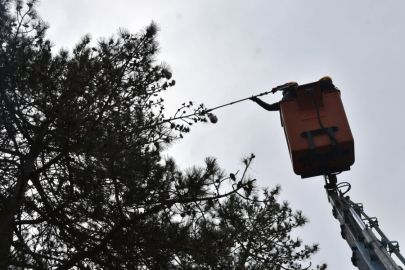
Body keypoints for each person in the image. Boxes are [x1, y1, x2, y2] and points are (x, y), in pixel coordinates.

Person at [249, 77, 336, 111]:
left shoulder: (295, 91)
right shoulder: (284, 101)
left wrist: (278, 88)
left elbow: (291, 87)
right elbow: (269, 107)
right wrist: (256, 100)